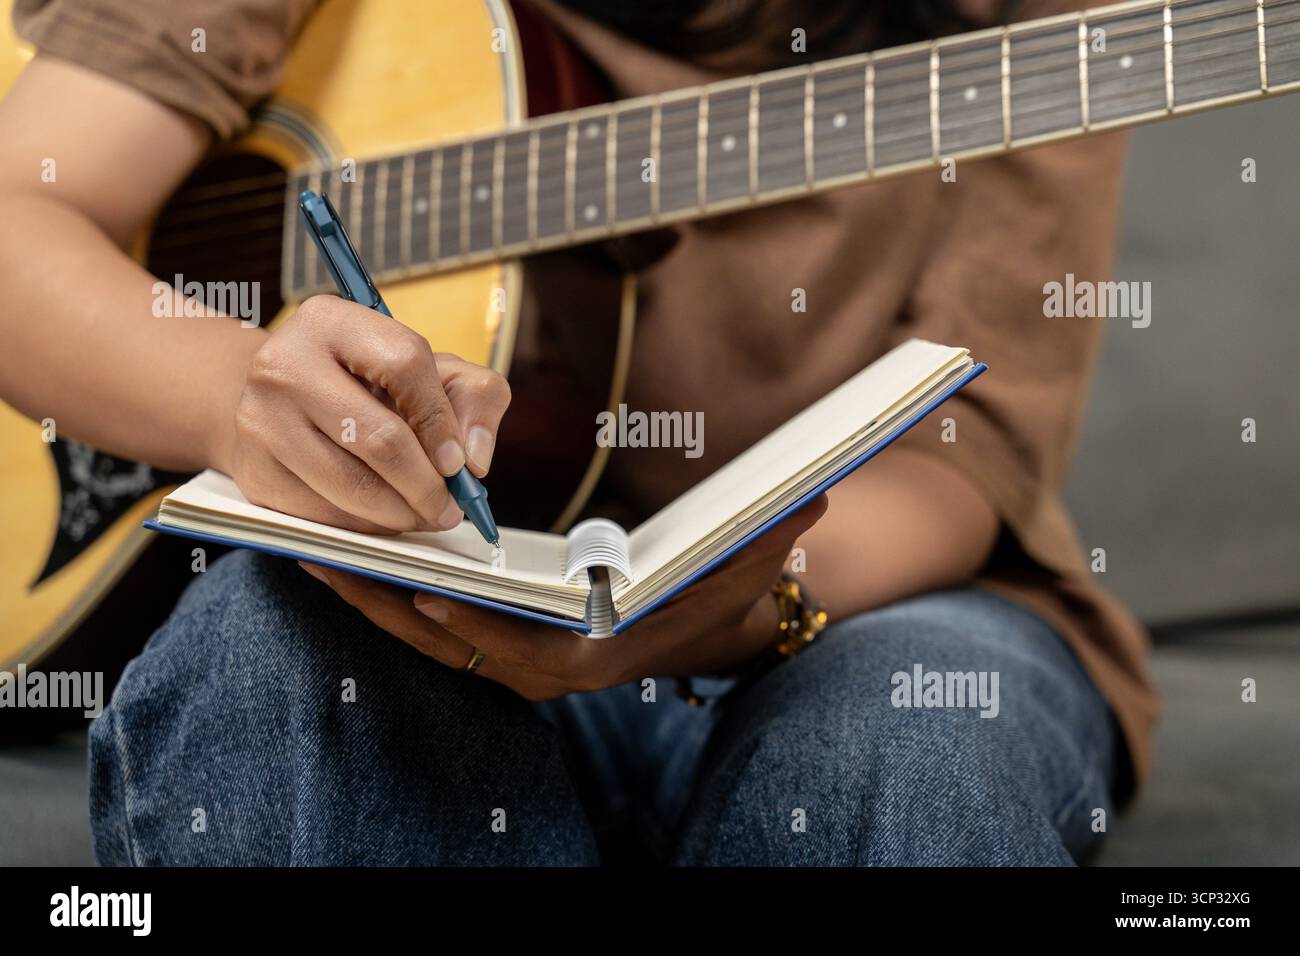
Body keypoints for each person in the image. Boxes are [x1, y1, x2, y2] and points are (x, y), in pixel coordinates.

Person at [0, 0, 1156, 865]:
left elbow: (964, 447)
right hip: (425, 582)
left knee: (915, 746)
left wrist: (711, 604)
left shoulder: (1042, 32)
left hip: (850, 601)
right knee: (266, 665)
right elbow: (21, 210)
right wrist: (234, 393)